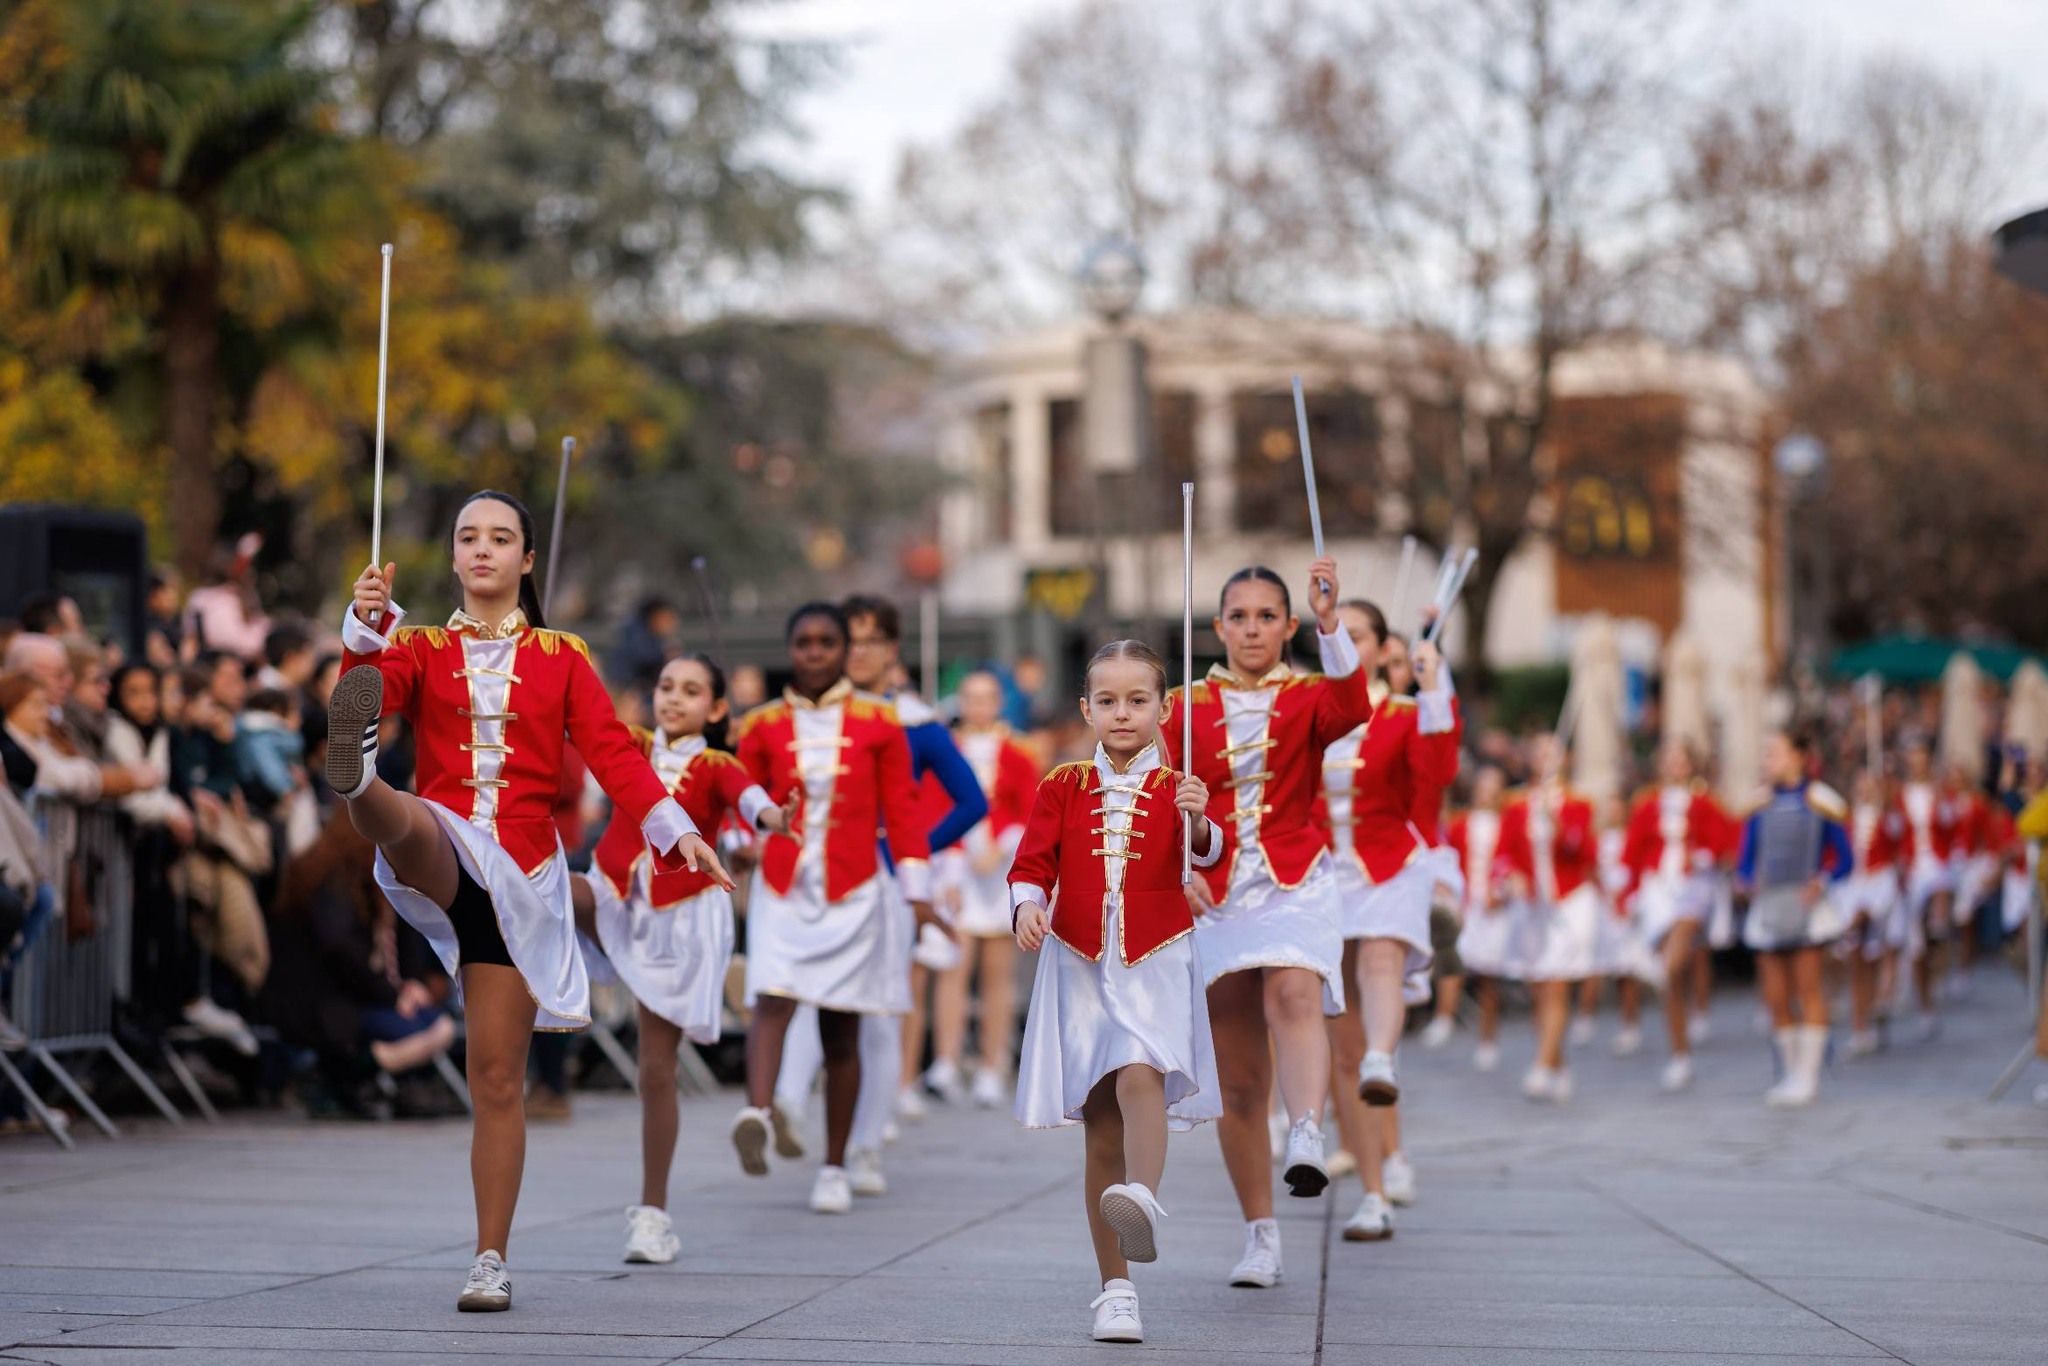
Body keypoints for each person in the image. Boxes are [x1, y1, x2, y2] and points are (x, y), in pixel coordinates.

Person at [324, 489, 728, 1313]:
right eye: (468, 537)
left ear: (527, 560)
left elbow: (613, 751)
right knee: (400, 810)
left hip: (524, 878)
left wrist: (671, 826)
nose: (482, 551)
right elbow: (362, 699)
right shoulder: (422, 646)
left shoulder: (562, 655)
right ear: (452, 557)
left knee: (498, 1080)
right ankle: (358, 780)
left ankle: (489, 1260)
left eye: (500, 538)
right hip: (442, 841)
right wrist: (365, 639)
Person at [1164, 557, 1372, 1289]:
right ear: (1219, 627)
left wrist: (1330, 623)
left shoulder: (1312, 695)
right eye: (1239, 617)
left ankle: (1309, 1130)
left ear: (1287, 627)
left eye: (1267, 617)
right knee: (1241, 1081)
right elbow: (1165, 817)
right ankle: (1260, 1235)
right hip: (1217, 892)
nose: (1252, 630)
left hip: (1297, 878)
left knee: (1294, 991)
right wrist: (1184, 856)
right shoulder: (1181, 708)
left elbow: (1355, 710)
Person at [1010, 639, 1222, 1344]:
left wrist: (1199, 819)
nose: (1123, 713)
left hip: (1157, 957)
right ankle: (1116, 1292)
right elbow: (1030, 863)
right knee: (1101, 1124)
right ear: (1086, 708)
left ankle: (1143, 1198)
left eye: (1138, 700)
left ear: (1165, 708)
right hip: (1078, 960)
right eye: (1108, 700)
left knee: (1142, 1071)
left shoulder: (1181, 784)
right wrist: (1025, 907)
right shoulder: (1062, 783)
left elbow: (1211, 855)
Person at [729, 603, 940, 1215]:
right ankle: (758, 1113)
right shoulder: (762, 723)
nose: (814, 652)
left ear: (844, 649)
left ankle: (834, 1166)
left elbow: (902, 808)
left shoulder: (881, 720)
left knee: (841, 1029)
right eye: (803, 642)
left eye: (827, 642)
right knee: (771, 994)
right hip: (784, 885)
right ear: (789, 649)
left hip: (855, 890)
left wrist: (918, 891)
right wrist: (741, 848)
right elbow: (745, 798)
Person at [772, 595, 985, 1199]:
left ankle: (863, 1147)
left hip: (885, 885)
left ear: (892, 651)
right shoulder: (807, 717)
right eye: (851, 638)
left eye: (870, 641)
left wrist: (903, 850)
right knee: (805, 993)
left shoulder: (913, 722)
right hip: (816, 879)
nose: (858, 651)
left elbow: (971, 802)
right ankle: (785, 1106)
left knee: (877, 1014)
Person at [581, 653, 789, 1263]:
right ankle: (572, 962)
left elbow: (753, 803)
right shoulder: (634, 743)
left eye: (692, 690)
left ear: (716, 708)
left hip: (679, 922)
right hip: (618, 893)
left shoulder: (717, 763)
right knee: (553, 890)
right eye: (666, 686)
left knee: (655, 1069)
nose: (673, 698)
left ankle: (653, 1214)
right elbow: (583, 728)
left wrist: (779, 815)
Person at [1318, 602, 1460, 1241]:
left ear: (1381, 648)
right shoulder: (1310, 712)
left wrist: (1434, 688)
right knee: (1339, 1050)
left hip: (1390, 865)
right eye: (1334, 633)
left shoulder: (1405, 714)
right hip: (1322, 874)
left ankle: (1385, 1055)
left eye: (1358, 635)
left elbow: (1436, 777)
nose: (1345, 643)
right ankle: (1373, 1192)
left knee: (1380, 959)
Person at [927, 669, 1041, 1110]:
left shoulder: (1017, 752)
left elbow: (1030, 809)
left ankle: (993, 1067)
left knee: (997, 973)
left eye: (986, 697)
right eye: (970, 697)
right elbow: (935, 807)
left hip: (999, 871)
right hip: (957, 869)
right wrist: (953, 867)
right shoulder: (947, 750)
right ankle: (946, 1061)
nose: (978, 706)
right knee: (953, 968)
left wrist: (1002, 848)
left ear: (998, 701)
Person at [1738, 727, 1852, 1108]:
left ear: (1798, 756)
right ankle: (1789, 1072)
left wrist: (1822, 882)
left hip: (1807, 906)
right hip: (1770, 903)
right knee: (1775, 995)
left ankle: (1809, 1076)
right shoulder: (1759, 803)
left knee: (1808, 989)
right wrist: (1747, 880)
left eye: (1774, 753)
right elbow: (1747, 855)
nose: (1767, 760)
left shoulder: (1822, 800)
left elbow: (1844, 858)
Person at [1616, 741, 1736, 1092]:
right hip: (1657, 888)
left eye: (1680, 758)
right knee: (1674, 980)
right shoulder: (1646, 803)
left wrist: (1704, 854)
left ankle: (1657, 969)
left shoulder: (1707, 802)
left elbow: (1724, 840)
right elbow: (1632, 851)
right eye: (1668, 758)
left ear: (1690, 764)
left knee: (1677, 951)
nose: (1674, 764)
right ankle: (1679, 1054)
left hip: (1694, 884)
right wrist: (1628, 894)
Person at [1499, 733, 1602, 1103]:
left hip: (1569, 903)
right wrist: (1509, 876)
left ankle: (1541, 1064)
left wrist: (1557, 823)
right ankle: (1559, 1064)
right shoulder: (1514, 804)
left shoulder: (1578, 803)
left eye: (1551, 750)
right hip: (1531, 905)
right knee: (1538, 988)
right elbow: (1504, 853)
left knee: (1556, 983)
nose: (1544, 757)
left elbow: (1584, 851)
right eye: (1538, 750)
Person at [1448, 766, 1513, 1071]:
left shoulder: (1507, 822)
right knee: (1454, 961)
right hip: (1467, 901)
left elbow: (1510, 858)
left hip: (1493, 905)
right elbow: (1451, 859)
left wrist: (1498, 891)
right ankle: (1444, 1016)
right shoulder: (1461, 823)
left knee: (1488, 975)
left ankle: (1488, 1037)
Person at [1839, 768, 1906, 1058]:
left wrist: (1888, 803)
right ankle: (1860, 1027)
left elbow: (1898, 838)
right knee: (1858, 965)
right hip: (1855, 885)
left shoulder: (1887, 817)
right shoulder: (1847, 820)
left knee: (1879, 954)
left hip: (1880, 885)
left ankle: (1880, 1007)